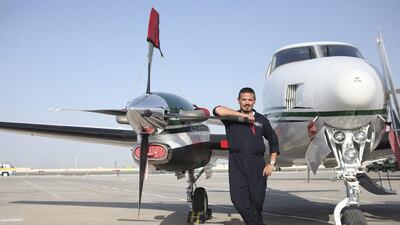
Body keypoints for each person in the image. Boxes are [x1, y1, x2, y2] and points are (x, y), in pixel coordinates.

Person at [213, 87, 279, 225]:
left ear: (254, 101)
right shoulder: (230, 118)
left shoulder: (262, 120)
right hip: (237, 164)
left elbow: (273, 141)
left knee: (256, 203)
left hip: (257, 165)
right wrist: (243, 116)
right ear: (238, 100)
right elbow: (217, 109)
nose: (247, 102)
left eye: (250, 100)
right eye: (244, 100)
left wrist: (271, 164)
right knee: (238, 200)